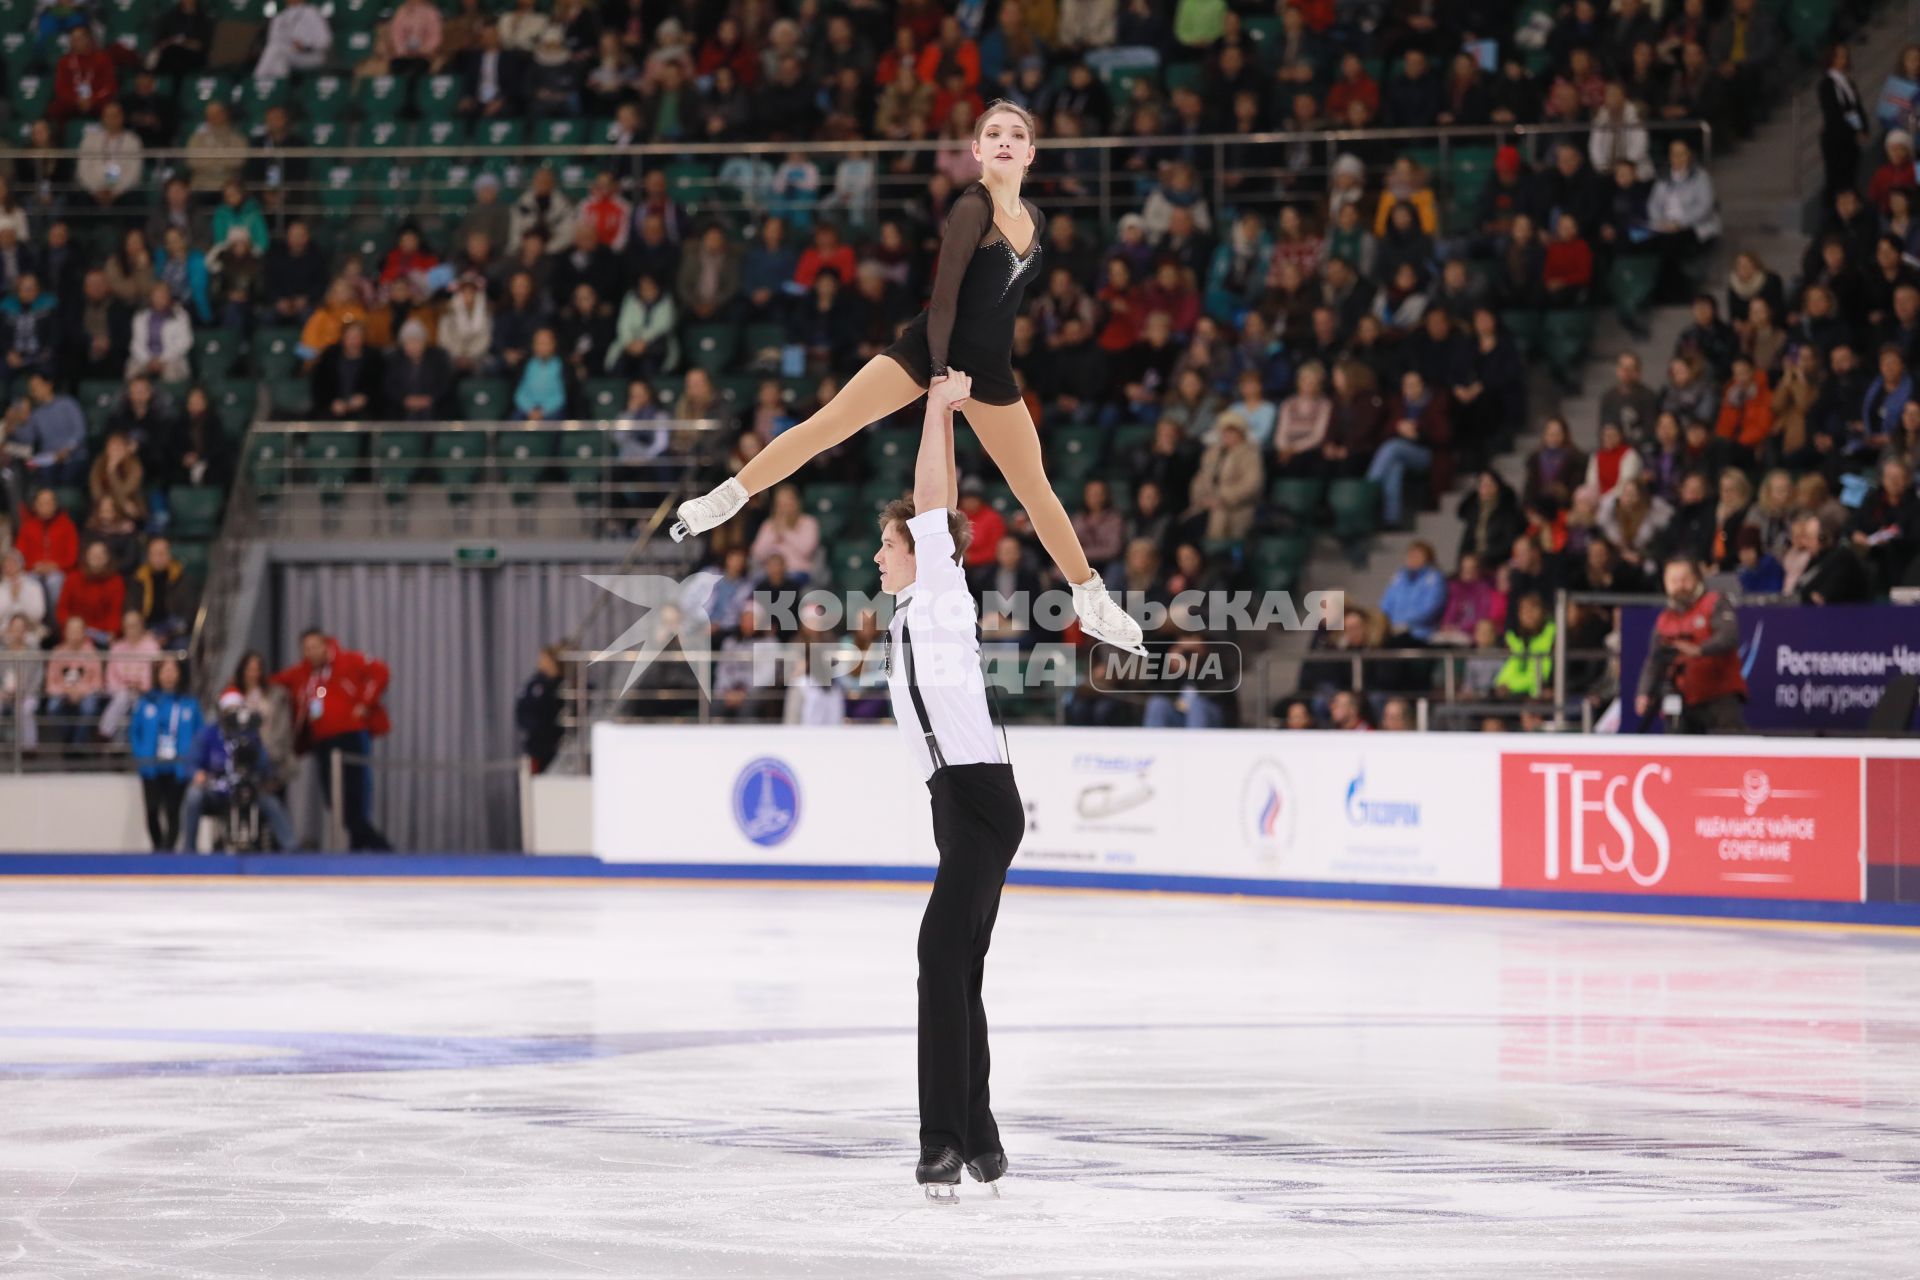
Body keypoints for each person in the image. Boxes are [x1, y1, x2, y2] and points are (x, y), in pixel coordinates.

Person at [671, 101, 1144, 655]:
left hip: (990, 366)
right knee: (833, 423)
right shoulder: (973, 208)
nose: (1005, 141)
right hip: (929, 349)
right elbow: (944, 299)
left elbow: (1000, 302)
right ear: (975, 151)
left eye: (1017, 134)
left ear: (1032, 152)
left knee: (1034, 486)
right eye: (993, 133)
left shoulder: (1035, 221)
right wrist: (940, 376)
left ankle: (1091, 601)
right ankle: (728, 497)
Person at [872, 370, 1022, 1202]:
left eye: (888, 544)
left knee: (939, 956)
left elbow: (936, 496)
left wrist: (937, 410)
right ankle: (984, 1141)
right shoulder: (908, 614)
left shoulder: (938, 593)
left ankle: (942, 1143)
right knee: (958, 966)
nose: (878, 555)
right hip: (960, 801)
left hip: (979, 798)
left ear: (927, 552)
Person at [271, 629, 393, 852]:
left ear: (325, 645)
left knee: (355, 797)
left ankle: (380, 848)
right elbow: (269, 682)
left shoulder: (348, 661)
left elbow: (380, 671)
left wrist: (365, 703)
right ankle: (363, 846)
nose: (311, 652)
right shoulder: (302, 674)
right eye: (306, 648)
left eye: (315, 646)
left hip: (351, 736)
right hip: (322, 742)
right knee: (333, 799)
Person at [1634, 556, 1746, 733]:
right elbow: (1654, 660)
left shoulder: (1714, 603)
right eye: (1673, 580)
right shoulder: (1665, 619)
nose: (1680, 585)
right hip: (1682, 700)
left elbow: (1728, 636)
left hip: (1719, 698)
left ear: (1697, 579)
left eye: (1685, 579)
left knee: (1727, 752)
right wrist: (1644, 692)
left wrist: (1699, 650)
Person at [179, 691, 298, 851]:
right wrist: (196, 774)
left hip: (246, 788)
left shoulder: (251, 734)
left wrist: (265, 774)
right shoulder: (208, 734)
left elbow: (264, 764)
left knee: (271, 803)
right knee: (194, 796)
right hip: (216, 789)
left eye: (237, 711)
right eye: (229, 712)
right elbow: (192, 761)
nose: (233, 717)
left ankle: (291, 847)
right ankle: (189, 848)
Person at [128, 656, 202, 851]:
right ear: (158, 674)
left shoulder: (189, 704)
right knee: (152, 810)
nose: (169, 675)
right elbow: (135, 731)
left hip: (178, 765)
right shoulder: (147, 702)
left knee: (173, 810)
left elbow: (199, 734)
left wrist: (193, 761)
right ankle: (158, 846)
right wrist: (140, 754)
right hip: (151, 764)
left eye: (173, 670)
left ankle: (168, 851)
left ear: (179, 674)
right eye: (165, 670)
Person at [254, 0, 334, 82]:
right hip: (287, 53)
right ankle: (278, 86)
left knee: (276, 51)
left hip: (312, 55)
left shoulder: (312, 13)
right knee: (278, 56)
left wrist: (305, 46)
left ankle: (257, 81)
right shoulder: (280, 16)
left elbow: (326, 41)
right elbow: (273, 40)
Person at [515, 644, 565, 773]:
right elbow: (524, 710)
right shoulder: (535, 683)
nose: (541, 662)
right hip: (537, 744)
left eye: (545, 659)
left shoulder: (564, 684)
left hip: (556, 744)